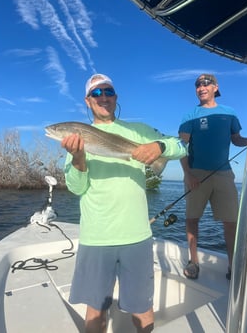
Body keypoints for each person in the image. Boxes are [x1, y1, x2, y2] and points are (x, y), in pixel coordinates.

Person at [61, 73, 187, 333]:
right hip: (96, 237)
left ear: (116, 97)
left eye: (108, 91)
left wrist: (159, 148)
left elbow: (181, 146)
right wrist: (78, 159)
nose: (103, 97)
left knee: (142, 309)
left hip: (136, 235)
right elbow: (76, 188)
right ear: (87, 101)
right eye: (96, 93)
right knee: (95, 310)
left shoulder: (138, 130)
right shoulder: (76, 140)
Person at [178, 74, 247, 280]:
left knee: (231, 221)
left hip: (224, 174)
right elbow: (180, 147)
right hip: (196, 173)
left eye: (206, 83)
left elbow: (237, 140)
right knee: (192, 219)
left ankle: (233, 266)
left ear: (215, 87)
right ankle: (193, 262)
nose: (201, 87)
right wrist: (188, 174)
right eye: (198, 84)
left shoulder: (230, 113)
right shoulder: (190, 115)